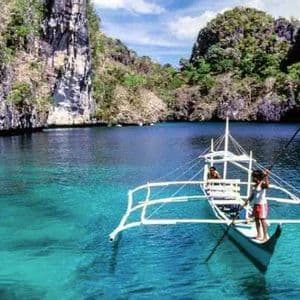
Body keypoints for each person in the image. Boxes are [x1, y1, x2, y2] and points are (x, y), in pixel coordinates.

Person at [248, 169, 270, 241]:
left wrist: (266, 176)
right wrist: (247, 201)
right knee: (256, 219)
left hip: (262, 205)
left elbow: (267, 186)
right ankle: (259, 235)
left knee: (262, 220)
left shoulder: (262, 184)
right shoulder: (254, 186)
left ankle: (265, 237)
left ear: (257, 177)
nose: (252, 178)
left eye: (254, 177)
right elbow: (252, 196)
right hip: (256, 205)